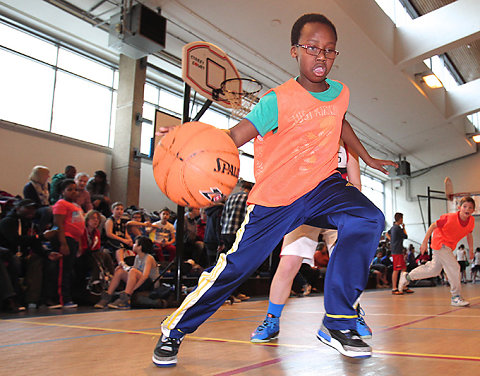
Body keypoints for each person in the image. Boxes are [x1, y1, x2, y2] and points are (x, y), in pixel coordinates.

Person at [152, 13, 396, 366]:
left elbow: (339, 119)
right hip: (276, 199)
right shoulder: (276, 101)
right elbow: (234, 137)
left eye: (329, 50)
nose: (321, 56)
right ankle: (174, 330)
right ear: (295, 51)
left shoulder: (341, 92)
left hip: (323, 186)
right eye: (313, 48)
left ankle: (338, 322)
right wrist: (185, 142)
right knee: (235, 269)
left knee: (369, 218)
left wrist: (367, 156)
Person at [250, 141, 371, 343]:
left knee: (348, 264)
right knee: (288, 264)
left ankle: (352, 313)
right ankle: (271, 320)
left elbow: (356, 184)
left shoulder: (349, 147)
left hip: (337, 209)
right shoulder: (308, 135)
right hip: (306, 208)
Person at [399, 196, 475, 307]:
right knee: (454, 267)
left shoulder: (471, 221)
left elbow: (469, 235)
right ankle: (455, 297)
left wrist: (471, 250)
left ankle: (407, 277)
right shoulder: (449, 217)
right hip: (440, 243)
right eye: (465, 207)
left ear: (473, 210)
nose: (467, 209)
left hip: (449, 247)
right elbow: (433, 226)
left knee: (433, 270)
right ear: (459, 208)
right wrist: (425, 242)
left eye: (470, 207)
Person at [94, 236, 159, 310]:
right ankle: (107, 296)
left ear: (140, 247)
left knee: (133, 270)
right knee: (120, 271)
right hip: (140, 281)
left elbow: (145, 276)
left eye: (135, 243)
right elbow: (134, 272)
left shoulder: (148, 258)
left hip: (150, 284)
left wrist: (133, 289)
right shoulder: (138, 257)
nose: (133, 245)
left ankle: (126, 298)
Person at [51, 179, 85, 308]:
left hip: (74, 240)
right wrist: (63, 243)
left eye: (75, 189)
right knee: (63, 270)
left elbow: (79, 226)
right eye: (69, 189)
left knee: (69, 270)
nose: (73, 192)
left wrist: (80, 244)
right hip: (65, 239)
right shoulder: (61, 204)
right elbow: (58, 224)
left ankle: (68, 296)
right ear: (62, 191)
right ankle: (61, 299)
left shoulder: (77, 206)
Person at [386, 213, 412, 295]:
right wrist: (404, 228)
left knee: (404, 268)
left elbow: (387, 233)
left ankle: (404, 286)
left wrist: (391, 240)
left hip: (398, 250)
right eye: (402, 218)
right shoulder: (397, 228)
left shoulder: (393, 227)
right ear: (400, 219)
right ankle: (394, 288)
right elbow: (406, 236)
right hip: (396, 251)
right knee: (396, 269)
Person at [103, 202, 134, 266]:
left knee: (133, 245)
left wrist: (129, 240)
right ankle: (121, 263)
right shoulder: (110, 221)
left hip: (121, 239)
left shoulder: (123, 221)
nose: (119, 211)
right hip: (111, 240)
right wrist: (123, 240)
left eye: (121, 209)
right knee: (120, 245)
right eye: (117, 209)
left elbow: (125, 233)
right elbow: (109, 234)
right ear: (112, 211)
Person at [23, 165, 52, 232]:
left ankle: (54, 231)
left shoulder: (47, 186)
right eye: (47, 174)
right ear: (40, 175)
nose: (49, 176)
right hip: (35, 209)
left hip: (46, 207)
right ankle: (41, 230)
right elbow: (31, 202)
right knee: (48, 211)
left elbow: (50, 199)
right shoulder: (29, 187)